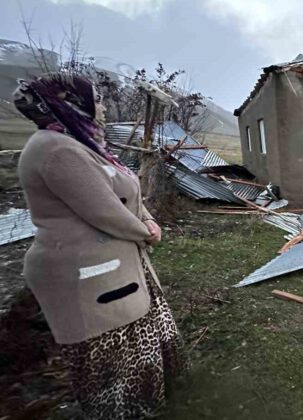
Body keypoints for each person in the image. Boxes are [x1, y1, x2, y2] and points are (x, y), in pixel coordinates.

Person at [15, 73, 187, 419]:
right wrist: (145, 231)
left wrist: (148, 218)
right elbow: (103, 210)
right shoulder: (57, 149)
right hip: (87, 274)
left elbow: (124, 193)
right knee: (112, 354)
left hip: (119, 264)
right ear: (72, 102)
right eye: (97, 99)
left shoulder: (83, 143)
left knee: (140, 335)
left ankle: (156, 402)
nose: (104, 107)